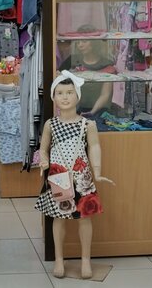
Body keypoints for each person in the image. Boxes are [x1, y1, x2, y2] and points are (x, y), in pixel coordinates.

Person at [35, 72, 112, 279]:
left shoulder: (88, 125)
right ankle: (59, 259)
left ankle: (86, 259)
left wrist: (97, 171)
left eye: (69, 92)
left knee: (84, 218)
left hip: (82, 178)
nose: (65, 97)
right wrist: (43, 161)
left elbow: (94, 147)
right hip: (58, 178)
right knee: (58, 218)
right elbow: (43, 148)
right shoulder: (50, 124)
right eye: (60, 93)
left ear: (77, 96)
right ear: (53, 97)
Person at [58, 26, 115, 116]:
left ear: (94, 42)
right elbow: (57, 76)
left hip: (100, 111)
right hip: (74, 110)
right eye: (78, 42)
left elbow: (105, 94)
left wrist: (91, 113)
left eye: (84, 41)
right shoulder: (72, 60)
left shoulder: (106, 64)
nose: (80, 45)